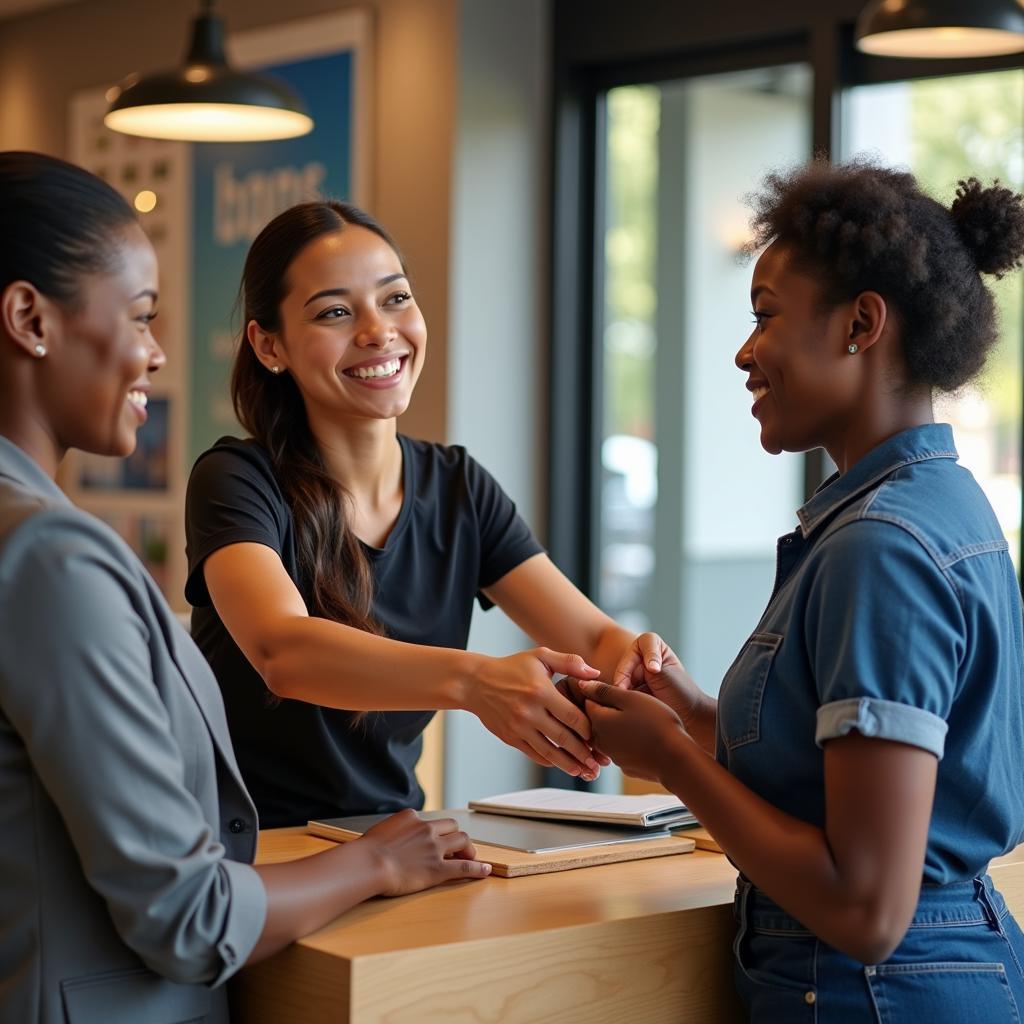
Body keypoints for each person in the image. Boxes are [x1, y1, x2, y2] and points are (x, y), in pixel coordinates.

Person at [0, 152, 490, 1024]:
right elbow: (187, 917)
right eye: (142, 318)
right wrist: (376, 861)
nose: (154, 355)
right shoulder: (48, 557)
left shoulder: (457, 483)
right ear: (31, 318)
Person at [575, 159, 1024, 1019]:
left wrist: (669, 760)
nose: (745, 352)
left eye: (764, 317)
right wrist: (690, 716)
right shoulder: (940, 505)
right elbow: (830, 780)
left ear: (862, 324)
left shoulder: (881, 549)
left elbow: (867, 907)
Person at [184, 200, 636, 828]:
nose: (377, 331)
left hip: (388, 838)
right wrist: (475, 681)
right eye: (336, 312)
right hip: (240, 847)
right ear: (269, 346)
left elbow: (590, 637)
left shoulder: (459, 488)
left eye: (395, 298)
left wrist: (638, 665)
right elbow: (282, 651)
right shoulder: (236, 479)